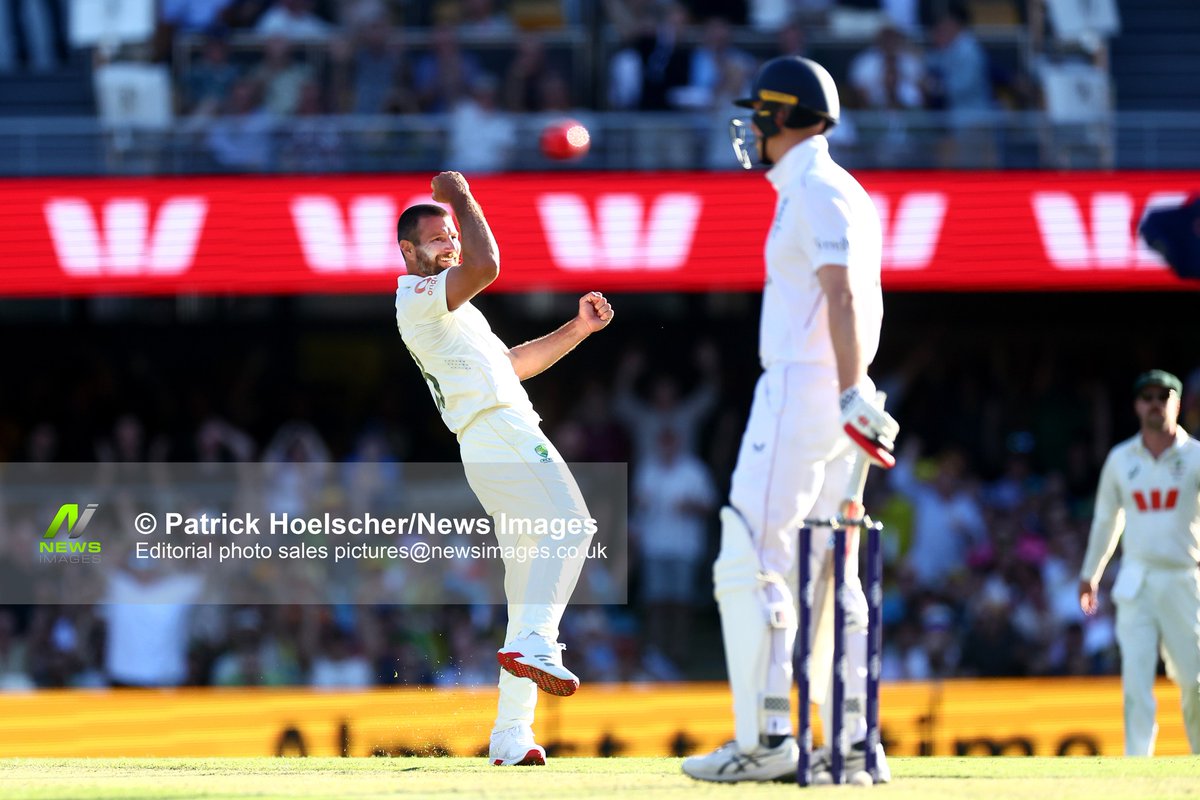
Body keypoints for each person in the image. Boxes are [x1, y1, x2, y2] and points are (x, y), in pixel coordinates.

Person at [683, 55, 898, 784]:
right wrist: (858, 390)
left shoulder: (812, 189)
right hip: (842, 390)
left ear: (783, 115)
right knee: (830, 566)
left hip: (809, 389)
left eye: (760, 113)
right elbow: (858, 303)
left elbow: (839, 297)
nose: (752, 126)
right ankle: (850, 747)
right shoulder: (843, 189)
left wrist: (842, 391)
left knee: (750, 558)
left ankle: (766, 739)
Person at [393, 172, 614, 767]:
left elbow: (511, 365)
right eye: (437, 239)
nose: (450, 245)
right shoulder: (417, 297)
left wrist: (579, 329)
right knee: (573, 524)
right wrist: (459, 198)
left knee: (525, 591)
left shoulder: (452, 312)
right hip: (500, 433)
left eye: (451, 235)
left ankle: (511, 735)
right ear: (409, 252)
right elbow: (488, 265)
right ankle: (536, 643)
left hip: (490, 440)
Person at [1078, 369, 1200, 755]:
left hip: (1185, 579)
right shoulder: (1120, 459)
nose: (1155, 404)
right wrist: (1089, 574)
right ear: (1136, 405)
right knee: (1135, 682)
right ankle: (1137, 772)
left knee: (1195, 682)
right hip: (1137, 579)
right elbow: (1106, 520)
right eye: (1147, 397)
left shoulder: (1196, 455)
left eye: (1163, 397)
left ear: (1177, 404)